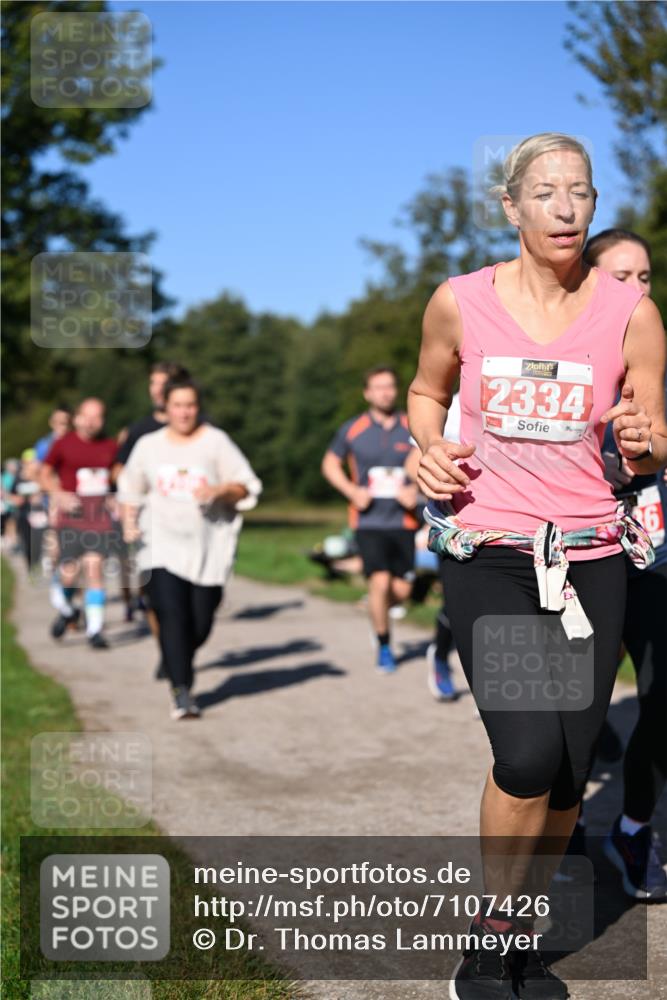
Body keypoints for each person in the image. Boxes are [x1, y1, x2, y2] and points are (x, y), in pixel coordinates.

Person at [408, 133, 667, 1000]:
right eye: (546, 193)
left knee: (562, 770)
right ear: (510, 206)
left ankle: (517, 933)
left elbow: (650, 434)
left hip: (589, 561)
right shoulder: (459, 301)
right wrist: (424, 448)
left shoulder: (629, 313)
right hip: (490, 554)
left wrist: (640, 442)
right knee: (523, 757)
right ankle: (486, 940)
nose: (565, 208)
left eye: (581, 193)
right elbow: (426, 391)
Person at [575, 228, 666, 900]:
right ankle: (563, 823)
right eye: (620, 278)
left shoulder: (658, 369)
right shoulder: (566, 368)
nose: (636, 291)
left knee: (661, 704)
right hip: (588, 561)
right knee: (575, 710)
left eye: (644, 278)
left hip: (658, 560)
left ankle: (632, 827)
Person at [119, 375, 262, 720]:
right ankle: (182, 691)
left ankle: (175, 657)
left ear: (199, 407)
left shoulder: (216, 443)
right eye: (177, 406)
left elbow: (246, 487)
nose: (184, 412)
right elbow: (130, 488)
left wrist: (219, 491)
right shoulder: (149, 446)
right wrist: (128, 521)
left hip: (208, 549)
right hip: (160, 545)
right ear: (165, 408)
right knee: (171, 615)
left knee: (199, 623)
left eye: (191, 405)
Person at [321, 366, 420, 673]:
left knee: (402, 590)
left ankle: (377, 612)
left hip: (404, 521)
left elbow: (431, 461)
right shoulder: (353, 429)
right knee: (378, 580)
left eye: (390, 386)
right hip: (368, 522)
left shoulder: (412, 426)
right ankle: (384, 644)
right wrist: (352, 491)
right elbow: (329, 464)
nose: (385, 392)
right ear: (367, 393)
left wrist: (415, 490)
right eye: (378, 387)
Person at [112, 362, 191, 632]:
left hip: (193, 524)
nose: (156, 390)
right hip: (153, 524)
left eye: (162, 383)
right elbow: (119, 472)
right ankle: (167, 649)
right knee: (156, 593)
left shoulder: (201, 428)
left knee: (193, 598)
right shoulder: (139, 431)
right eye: (152, 383)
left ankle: (180, 644)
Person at [40, 398, 119, 649]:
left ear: (103, 420)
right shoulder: (63, 444)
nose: (91, 422)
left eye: (97, 417)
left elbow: (118, 475)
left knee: (95, 570)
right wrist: (57, 494)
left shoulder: (110, 445)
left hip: (99, 520)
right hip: (71, 518)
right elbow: (44, 473)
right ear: (77, 418)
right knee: (69, 573)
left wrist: (117, 496)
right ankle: (67, 610)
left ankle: (95, 631)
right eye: (86, 416)